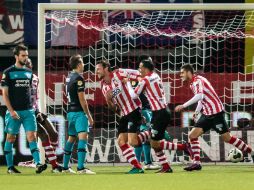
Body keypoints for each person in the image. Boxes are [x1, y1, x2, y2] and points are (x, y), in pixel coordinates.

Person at [175, 64, 254, 171]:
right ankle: (196, 163)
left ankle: (252, 152)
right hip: (207, 114)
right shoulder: (192, 83)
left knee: (227, 138)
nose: (180, 75)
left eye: (182, 72)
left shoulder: (198, 80)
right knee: (192, 135)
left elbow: (200, 95)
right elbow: (201, 99)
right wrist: (197, 112)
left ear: (189, 72)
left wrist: (183, 105)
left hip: (217, 114)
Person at [126, 56, 192, 173]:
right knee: (154, 142)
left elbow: (133, 95)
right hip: (161, 112)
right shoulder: (156, 75)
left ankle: (182, 148)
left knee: (153, 143)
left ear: (146, 69)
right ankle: (167, 165)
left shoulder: (145, 80)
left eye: (140, 67)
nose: (139, 70)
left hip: (160, 114)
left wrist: (128, 84)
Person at [1, 44, 47, 174]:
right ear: (16, 56)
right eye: (23, 56)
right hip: (14, 111)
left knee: (32, 136)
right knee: (10, 138)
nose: (26, 58)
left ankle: (38, 164)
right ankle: (10, 167)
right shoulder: (8, 73)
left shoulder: (29, 72)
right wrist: (11, 110)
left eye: (26, 55)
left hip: (28, 111)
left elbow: (30, 92)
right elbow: (5, 94)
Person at [95, 60, 146, 174]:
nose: (96, 72)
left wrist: (138, 81)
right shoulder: (102, 85)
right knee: (121, 141)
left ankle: (150, 133)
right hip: (123, 113)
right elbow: (113, 107)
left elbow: (136, 73)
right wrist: (109, 101)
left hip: (133, 108)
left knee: (133, 142)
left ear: (106, 68)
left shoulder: (119, 73)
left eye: (98, 69)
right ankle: (137, 166)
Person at [18, 58, 62, 172]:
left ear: (31, 66)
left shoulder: (36, 79)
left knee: (54, 134)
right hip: (28, 112)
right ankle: (54, 165)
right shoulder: (20, 80)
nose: (27, 65)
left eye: (28, 63)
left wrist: (37, 111)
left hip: (36, 111)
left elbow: (35, 97)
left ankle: (49, 159)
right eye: (24, 64)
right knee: (43, 135)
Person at [62, 54, 95, 174]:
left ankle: (65, 167)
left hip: (70, 112)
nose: (84, 65)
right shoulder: (79, 78)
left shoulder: (68, 77)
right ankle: (81, 168)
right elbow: (82, 99)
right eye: (82, 62)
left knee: (71, 138)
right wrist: (89, 116)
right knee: (83, 137)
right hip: (79, 113)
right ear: (79, 64)